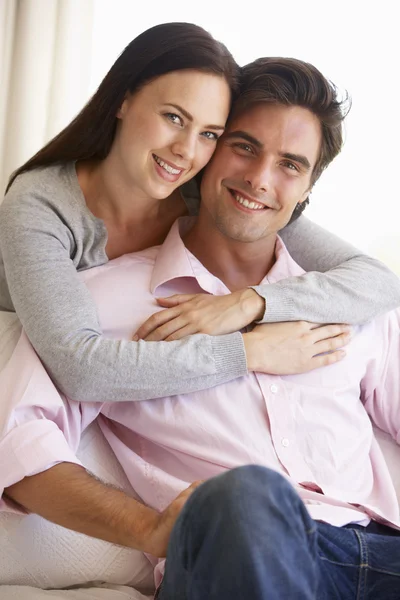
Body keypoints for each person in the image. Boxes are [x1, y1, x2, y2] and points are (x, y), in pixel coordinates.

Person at [3, 57, 400, 599]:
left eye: (290, 164)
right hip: (240, 552)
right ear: (210, 155)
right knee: (246, 495)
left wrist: (249, 306)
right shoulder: (102, 298)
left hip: (382, 553)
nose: (260, 179)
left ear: (307, 189)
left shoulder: (345, 300)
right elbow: (17, 447)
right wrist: (149, 528)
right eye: (244, 146)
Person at [1, 24, 400, 405]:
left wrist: (250, 303)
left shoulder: (204, 189)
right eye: (174, 118)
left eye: (209, 133)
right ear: (123, 99)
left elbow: (376, 283)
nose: (186, 151)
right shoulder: (41, 204)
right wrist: (250, 350)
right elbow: (80, 368)